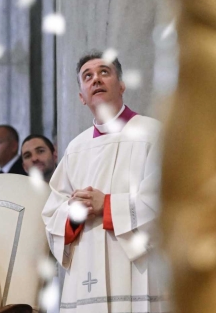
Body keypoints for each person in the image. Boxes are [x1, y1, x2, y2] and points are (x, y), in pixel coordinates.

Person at [42, 51, 166, 312]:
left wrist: (107, 206)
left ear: (121, 85)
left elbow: (167, 201)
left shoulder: (152, 133)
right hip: (86, 273)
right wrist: (72, 214)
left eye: (104, 72)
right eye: (88, 76)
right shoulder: (75, 148)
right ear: (81, 97)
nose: (96, 79)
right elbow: (52, 213)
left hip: (136, 271)